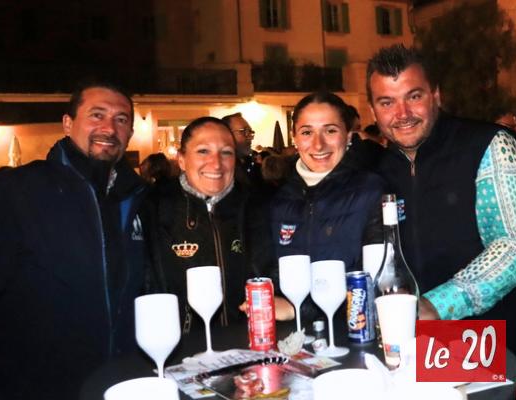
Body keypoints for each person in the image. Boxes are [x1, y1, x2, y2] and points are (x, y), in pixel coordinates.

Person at [0, 80, 148, 400]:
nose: (109, 128)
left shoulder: (137, 198)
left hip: (122, 383)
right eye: (97, 115)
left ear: (130, 133)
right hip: (39, 386)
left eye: (121, 119)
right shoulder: (17, 190)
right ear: (67, 123)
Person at [367, 44, 516, 363]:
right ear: (373, 111)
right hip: (415, 348)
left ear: (436, 95)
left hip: (493, 346)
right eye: (387, 102)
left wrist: (440, 304)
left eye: (414, 96)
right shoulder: (376, 170)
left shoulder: (489, 145)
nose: (402, 114)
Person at [144, 116, 273, 331]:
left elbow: (272, 272)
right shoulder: (155, 210)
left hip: (247, 340)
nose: (216, 163)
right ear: (182, 159)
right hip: (182, 345)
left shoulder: (256, 207)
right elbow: (148, 286)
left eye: (226, 152)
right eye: (203, 151)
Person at [269, 92, 385, 320]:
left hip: (353, 331)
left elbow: (378, 282)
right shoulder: (278, 200)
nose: (318, 144)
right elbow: (274, 275)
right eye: (307, 132)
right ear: (294, 138)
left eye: (330, 131)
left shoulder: (372, 191)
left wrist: (298, 310)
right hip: (293, 337)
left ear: (348, 136)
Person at [222, 112, 263, 187]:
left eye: (250, 132)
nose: (250, 137)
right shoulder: (219, 170)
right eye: (244, 131)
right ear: (226, 134)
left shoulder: (249, 164)